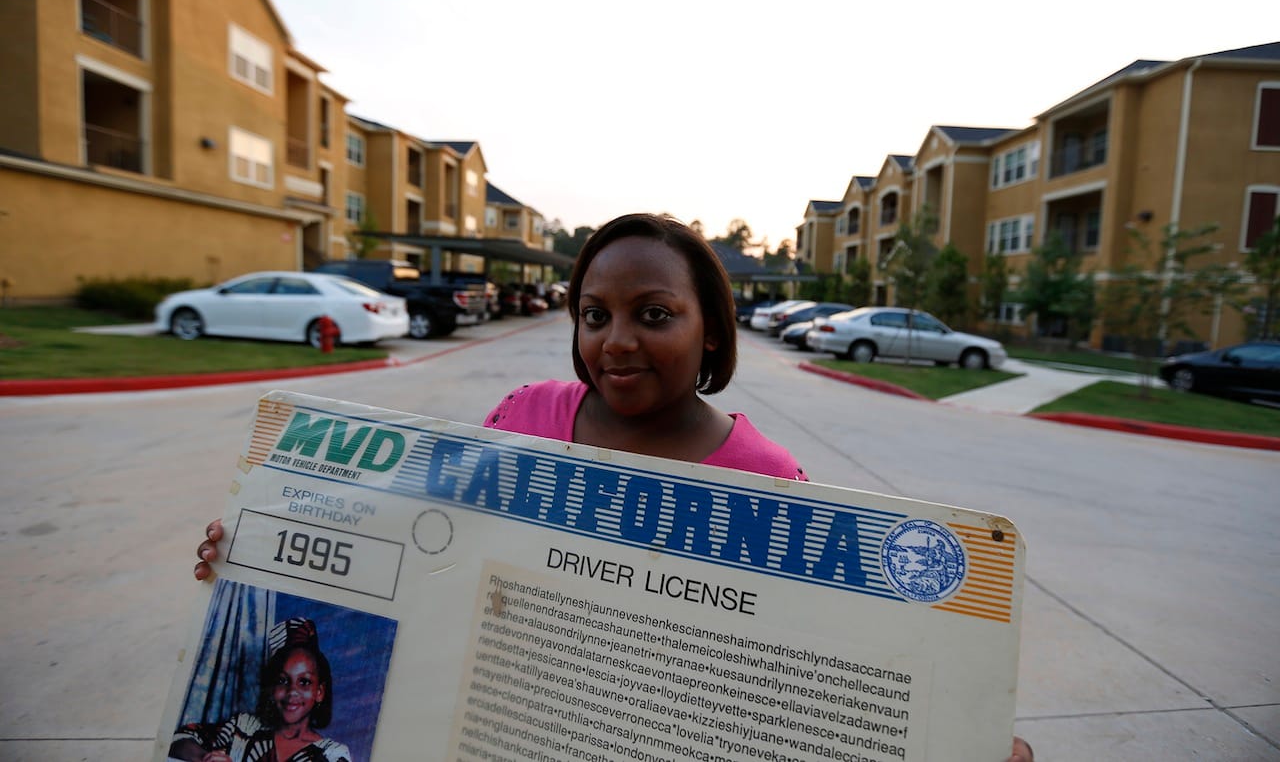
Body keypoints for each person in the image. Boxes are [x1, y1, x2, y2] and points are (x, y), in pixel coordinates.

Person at [193, 213, 1032, 761]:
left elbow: (834, 666)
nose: (616, 340)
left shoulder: (771, 483)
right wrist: (261, 547)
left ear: (711, 332)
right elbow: (412, 544)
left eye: (654, 314)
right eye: (595, 314)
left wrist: (955, 732)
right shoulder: (524, 414)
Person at [169, 617, 351, 762]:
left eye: (304, 682)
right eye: (282, 680)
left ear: (319, 692)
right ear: (272, 687)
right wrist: (204, 757)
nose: (292, 692)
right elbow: (178, 740)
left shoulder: (332, 755)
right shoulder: (243, 729)